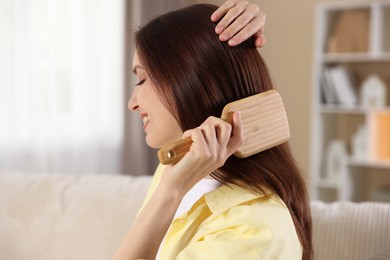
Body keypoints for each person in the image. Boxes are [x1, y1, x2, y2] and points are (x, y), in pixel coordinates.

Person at [114, 2, 313, 260]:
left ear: (193, 78)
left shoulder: (252, 230)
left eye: (142, 79)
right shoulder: (175, 168)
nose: (132, 103)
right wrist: (170, 187)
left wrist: (170, 191)